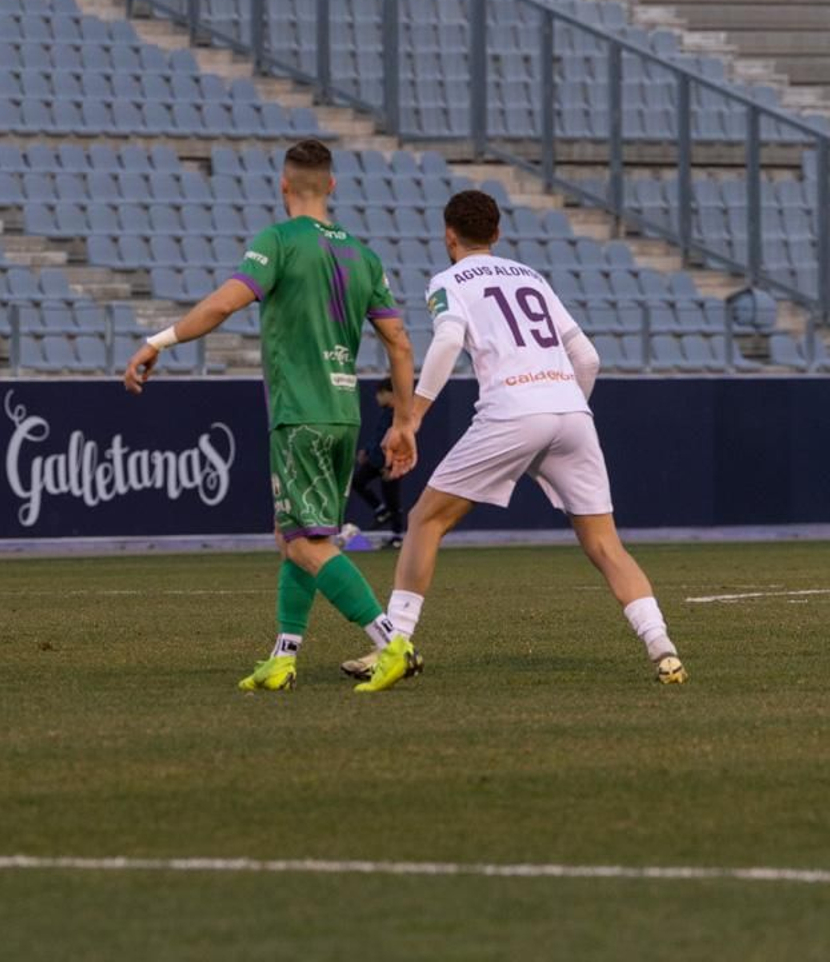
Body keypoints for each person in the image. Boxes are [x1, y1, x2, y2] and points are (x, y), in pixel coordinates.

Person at [341, 190, 687, 685]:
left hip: (512, 411)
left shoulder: (449, 279)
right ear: (498, 234)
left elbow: (446, 340)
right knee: (606, 544)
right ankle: (663, 647)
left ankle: (395, 646)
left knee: (424, 520)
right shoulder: (532, 277)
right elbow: (588, 358)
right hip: (571, 409)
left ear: (448, 235)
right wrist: (567, 410)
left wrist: (412, 417)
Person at [123, 139, 422, 694]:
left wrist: (158, 341)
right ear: (331, 186)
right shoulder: (363, 254)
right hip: (343, 414)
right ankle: (284, 656)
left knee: (307, 542)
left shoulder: (278, 242)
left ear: (283, 185)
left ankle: (392, 643)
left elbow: (223, 304)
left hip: (299, 414)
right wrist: (404, 421)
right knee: (296, 537)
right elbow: (400, 343)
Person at [348, 380, 405, 547]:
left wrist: (391, 466)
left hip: (390, 463)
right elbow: (379, 436)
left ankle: (397, 537)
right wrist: (367, 450)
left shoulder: (398, 415)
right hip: (376, 460)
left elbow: (397, 442)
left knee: (392, 498)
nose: (377, 398)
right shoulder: (386, 413)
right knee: (358, 481)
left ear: (390, 394)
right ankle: (381, 510)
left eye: (380, 394)